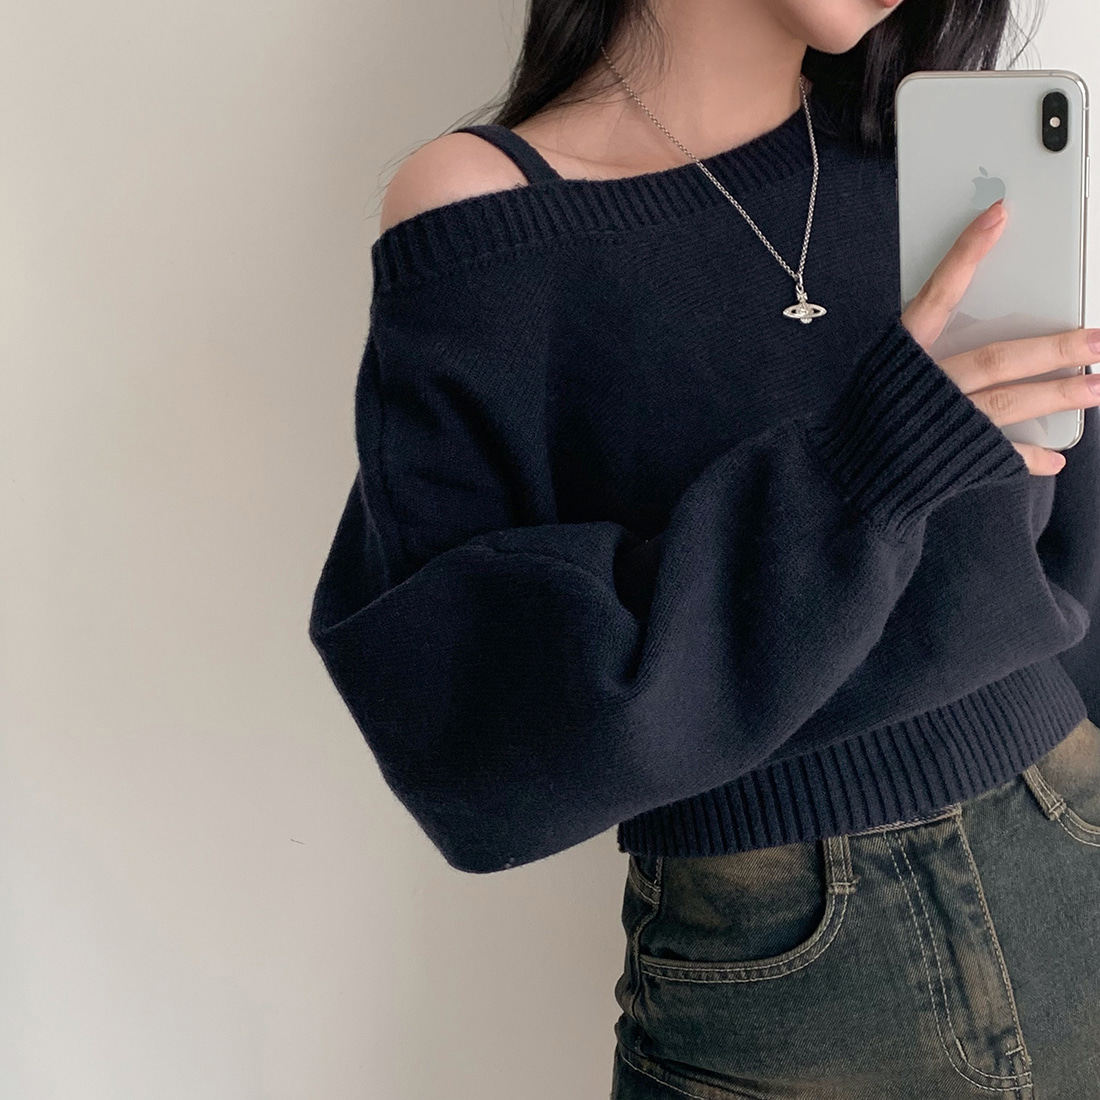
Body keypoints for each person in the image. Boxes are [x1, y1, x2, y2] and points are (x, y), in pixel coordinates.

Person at [308, 0, 1100, 1093]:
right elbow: (474, 741)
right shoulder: (486, 207)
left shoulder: (931, 164)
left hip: (1073, 836)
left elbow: (1076, 541)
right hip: (785, 958)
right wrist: (866, 467)